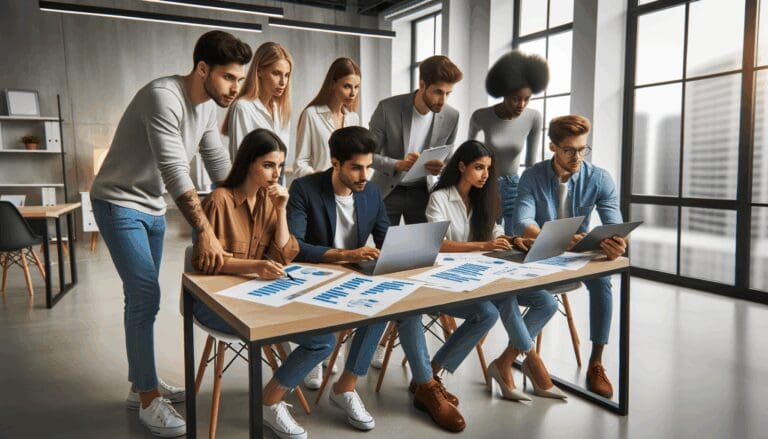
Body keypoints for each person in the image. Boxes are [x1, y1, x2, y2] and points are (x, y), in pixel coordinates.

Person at [90, 31, 252, 437]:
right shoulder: (164, 97)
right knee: (145, 294)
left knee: (143, 299)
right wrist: (206, 230)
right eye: (230, 78)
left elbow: (219, 165)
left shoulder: (207, 109)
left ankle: (139, 382)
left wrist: (249, 208)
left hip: (152, 206)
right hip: (117, 201)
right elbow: (175, 170)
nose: (237, 87)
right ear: (203, 69)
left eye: (240, 79)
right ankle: (148, 399)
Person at [287, 126, 466, 433]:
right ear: (335, 162)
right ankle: (418, 386)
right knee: (388, 303)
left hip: (355, 273)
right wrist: (343, 255)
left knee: (404, 304)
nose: (364, 175)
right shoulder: (304, 188)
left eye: (368, 167)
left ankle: (368, 385)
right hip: (315, 277)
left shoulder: (370, 191)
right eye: (356, 167)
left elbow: (385, 238)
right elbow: (295, 246)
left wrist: (413, 254)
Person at [190, 129, 335, 439]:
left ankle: (269, 401)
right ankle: (271, 404)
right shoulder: (219, 200)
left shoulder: (271, 202)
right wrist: (254, 266)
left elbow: (284, 255)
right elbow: (206, 263)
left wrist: (282, 209)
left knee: (325, 339)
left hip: (257, 297)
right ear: (248, 163)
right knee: (270, 331)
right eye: (269, 165)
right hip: (215, 303)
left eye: (280, 166)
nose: (276, 174)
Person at [426, 140, 565, 401]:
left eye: (488, 169)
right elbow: (438, 244)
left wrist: (513, 241)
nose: (485, 175)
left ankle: (504, 363)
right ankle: (533, 361)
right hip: (451, 280)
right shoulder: (439, 198)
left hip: (486, 276)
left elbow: (497, 232)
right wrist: (484, 245)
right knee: (500, 301)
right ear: (462, 166)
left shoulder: (485, 198)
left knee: (546, 302)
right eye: (479, 168)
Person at [513, 115, 627, 399]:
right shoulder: (532, 176)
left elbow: (614, 222)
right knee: (535, 298)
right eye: (569, 150)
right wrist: (557, 238)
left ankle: (596, 362)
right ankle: (520, 356)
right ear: (552, 147)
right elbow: (522, 221)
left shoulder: (599, 178)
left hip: (580, 250)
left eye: (582, 149)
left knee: (603, 279)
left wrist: (617, 242)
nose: (577, 157)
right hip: (540, 251)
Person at [369, 55, 462, 226]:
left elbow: (449, 160)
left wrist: (442, 168)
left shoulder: (452, 116)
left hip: (423, 192)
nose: (443, 101)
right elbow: (366, 156)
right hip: (388, 191)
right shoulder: (387, 109)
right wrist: (397, 164)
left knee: (423, 248)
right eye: (438, 92)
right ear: (422, 85)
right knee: (384, 249)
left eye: (448, 94)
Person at [468, 50, 549, 235]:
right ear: (503, 93)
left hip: (515, 185)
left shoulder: (533, 117)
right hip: (486, 183)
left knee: (515, 237)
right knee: (486, 235)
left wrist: (534, 194)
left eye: (526, 99)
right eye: (515, 99)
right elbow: (469, 156)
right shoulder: (481, 116)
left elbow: (531, 163)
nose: (521, 104)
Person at [222, 42, 293, 167]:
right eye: (276, 73)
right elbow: (240, 162)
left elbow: (281, 163)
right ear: (259, 71)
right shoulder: (243, 108)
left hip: (277, 185)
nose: (283, 82)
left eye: (286, 75)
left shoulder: (282, 111)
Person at [293, 57, 361, 177]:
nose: (353, 93)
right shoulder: (311, 115)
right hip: (318, 188)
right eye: (347, 86)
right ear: (333, 84)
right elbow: (300, 163)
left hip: (346, 189)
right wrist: (316, 176)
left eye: (356, 87)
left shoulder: (353, 118)